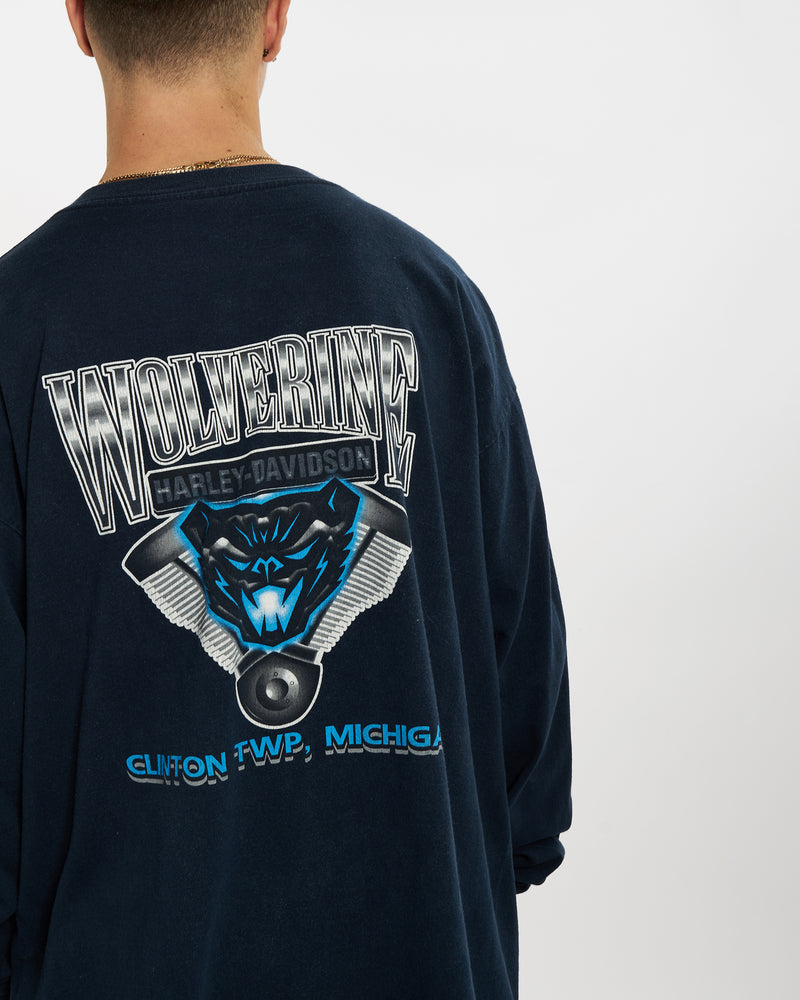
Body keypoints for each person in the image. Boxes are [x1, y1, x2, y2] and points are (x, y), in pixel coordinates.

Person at [0, 1, 572, 997]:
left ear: (80, 20)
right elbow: (524, 718)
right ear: (273, 17)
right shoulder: (424, 295)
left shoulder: (15, 331)